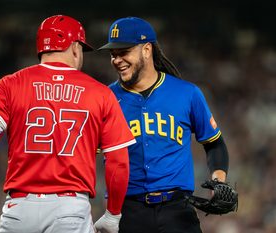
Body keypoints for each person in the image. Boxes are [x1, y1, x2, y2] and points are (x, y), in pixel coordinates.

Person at [0, 15, 136, 233]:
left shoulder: (10, 84)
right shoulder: (100, 93)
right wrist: (113, 213)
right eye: (81, 48)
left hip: (19, 210)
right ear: (74, 47)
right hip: (70, 208)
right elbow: (118, 162)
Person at [98, 16, 230, 233]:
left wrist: (219, 182)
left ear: (147, 50)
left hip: (178, 211)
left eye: (123, 52)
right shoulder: (105, 98)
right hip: (127, 211)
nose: (117, 59)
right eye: (113, 54)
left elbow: (214, 143)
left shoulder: (186, 93)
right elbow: (83, 152)